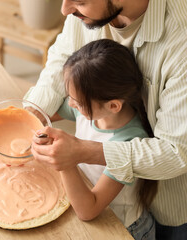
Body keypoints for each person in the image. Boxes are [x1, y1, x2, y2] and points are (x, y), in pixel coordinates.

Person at [0, 1, 187, 239]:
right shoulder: (82, 14)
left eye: (80, 0)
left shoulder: (182, 38)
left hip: (160, 207)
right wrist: (17, 126)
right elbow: (58, 69)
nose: (65, 10)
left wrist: (77, 154)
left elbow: (176, 152)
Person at [42, 38, 156, 239]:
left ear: (113, 106)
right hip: (87, 200)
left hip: (122, 228)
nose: (70, 104)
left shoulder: (128, 144)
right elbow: (42, 115)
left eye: (77, 101)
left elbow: (88, 210)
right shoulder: (90, 110)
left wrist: (65, 162)